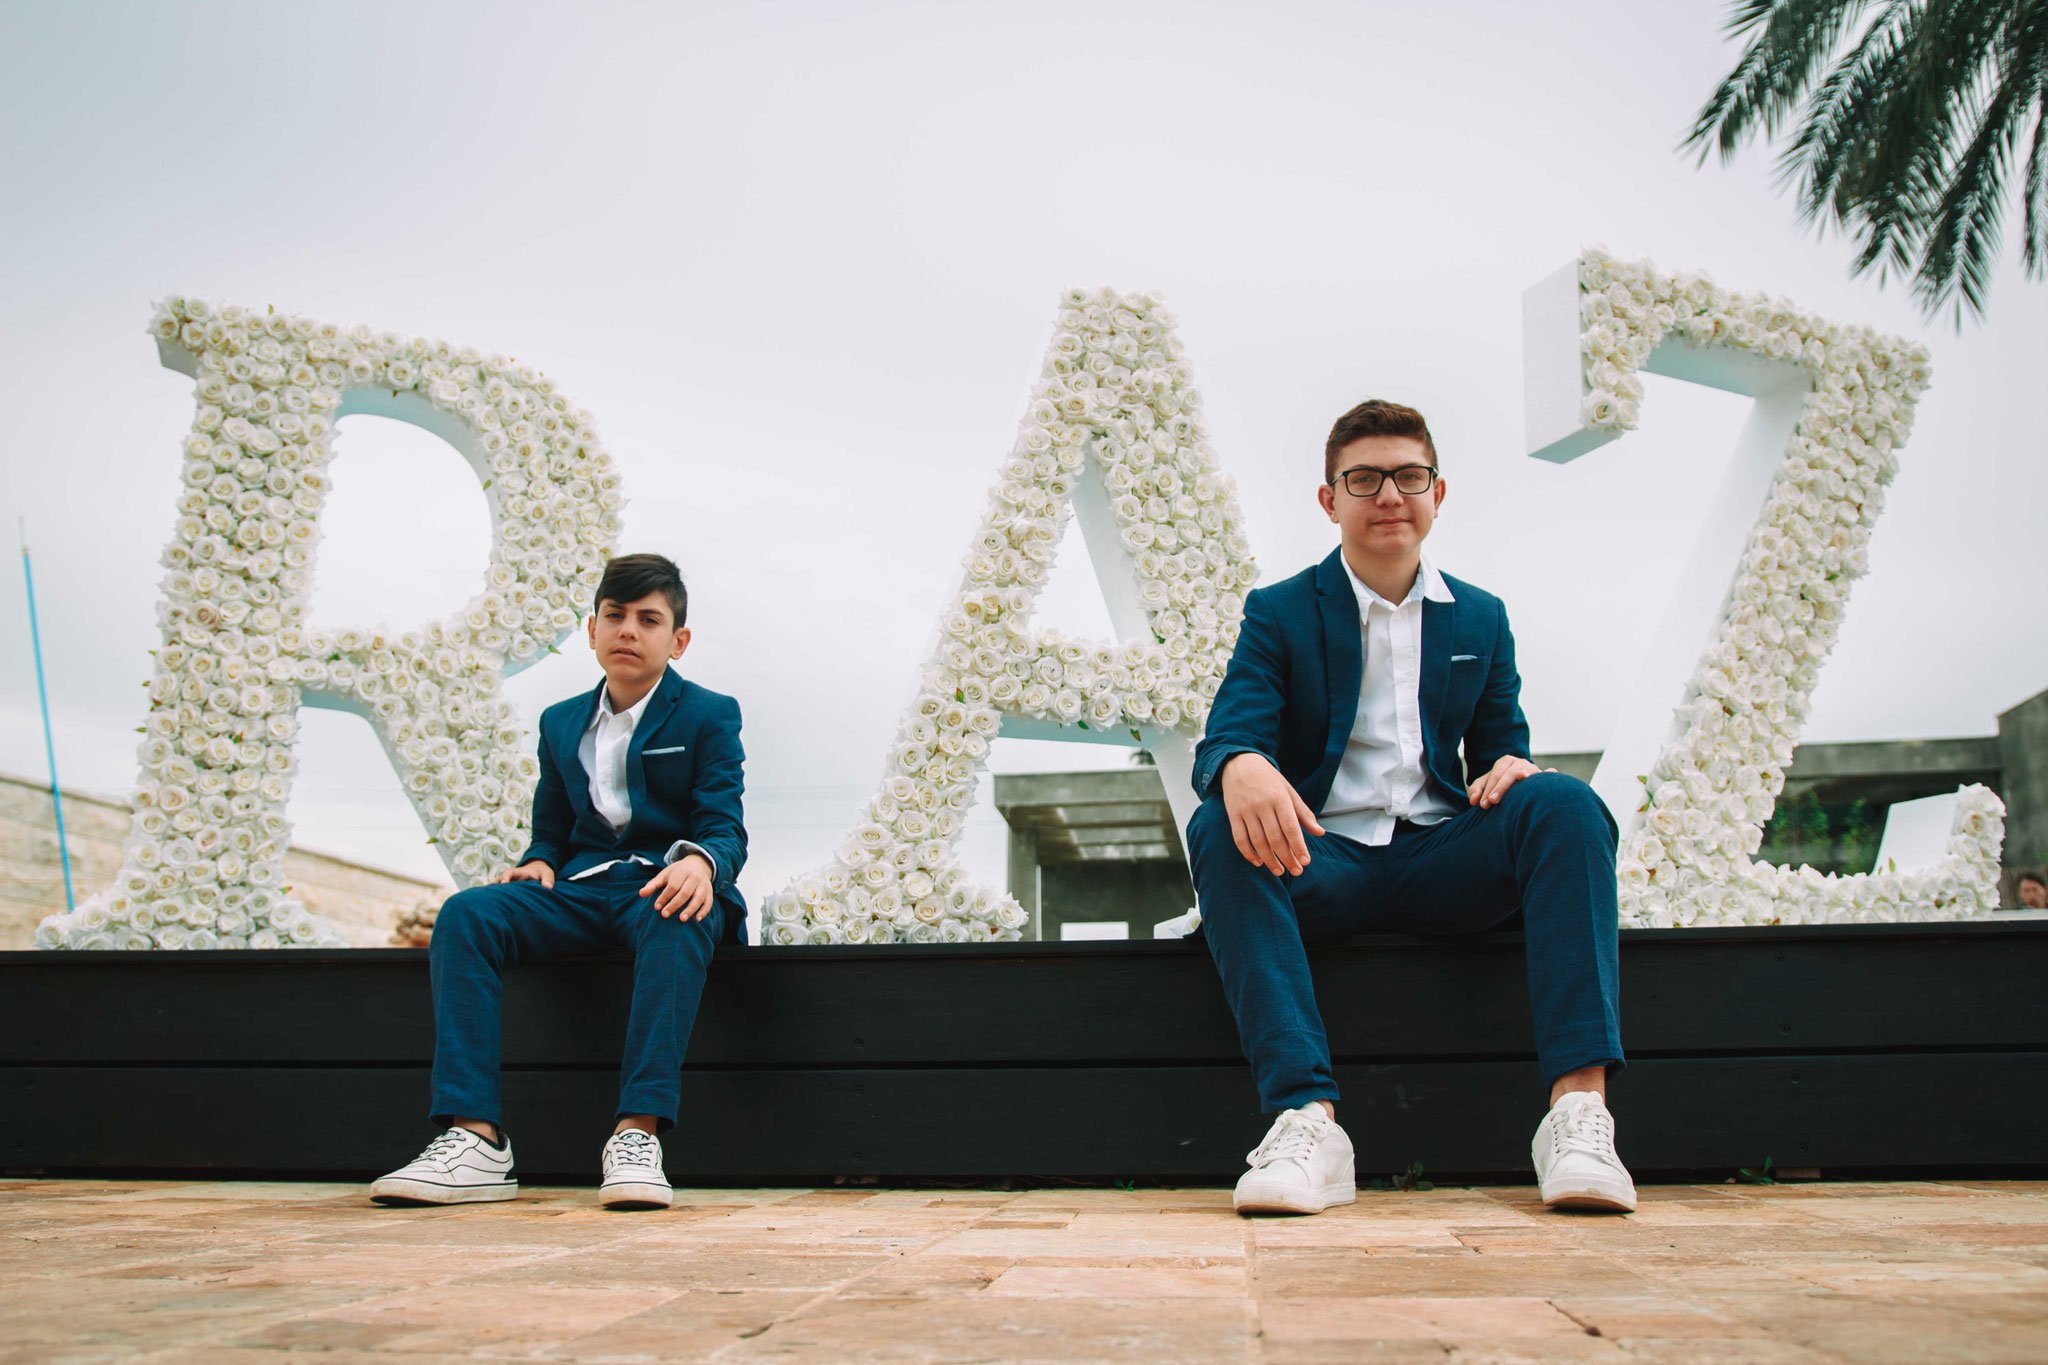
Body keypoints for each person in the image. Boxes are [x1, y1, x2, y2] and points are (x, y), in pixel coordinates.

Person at [1188, 399, 1634, 1216]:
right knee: (1219, 820)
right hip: (1320, 858)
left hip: (1440, 858)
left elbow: (1499, 751)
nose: (1389, 494)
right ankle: (1307, 1121)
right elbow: (1231, 732)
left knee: (1565, 802)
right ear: (1330, 500)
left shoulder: (1482, 617)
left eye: (1408, 476)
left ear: (1437, 492)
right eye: (1364, 479)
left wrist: (1511, 768)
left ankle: (1578, 1115)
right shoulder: (1279, 612)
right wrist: (1239, 762)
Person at [371, 553, 748, 1210]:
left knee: (678, 909)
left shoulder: (709, 714)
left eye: (648, 619)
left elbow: (725, 826)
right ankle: (476, 1140)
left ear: (678, 640)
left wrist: (700, 862)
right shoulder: (560, 721)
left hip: (660, 889)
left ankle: (636, 1135)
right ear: (592, 629)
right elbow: (551, 828)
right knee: (468, 912)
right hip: (577, 890)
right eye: (615, 615)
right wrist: (540, 859)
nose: (628, 629)